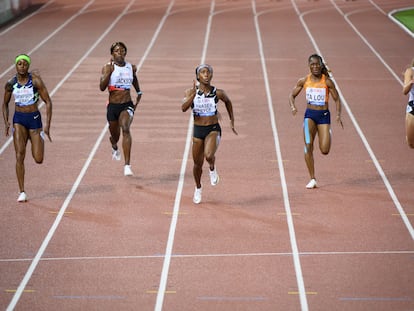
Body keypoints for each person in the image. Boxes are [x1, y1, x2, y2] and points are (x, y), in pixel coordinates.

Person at [182, 64, 237, 204]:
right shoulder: (190, 92)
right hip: (198, 130)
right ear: (198, 76)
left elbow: (228, 102)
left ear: (211, 76)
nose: (206, 75)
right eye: (203, 72)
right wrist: (193, 95)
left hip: (213, 128)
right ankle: (198, 188)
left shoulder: (217, 93)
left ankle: (212, 168)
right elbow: (183, 108)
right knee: (197, 164)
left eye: (208, 72)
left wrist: (232, 121)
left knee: (209, 155)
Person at [2, 54, 53, 202]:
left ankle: (39, 138)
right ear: (16, 66)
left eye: (25, 64)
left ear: (28, 66)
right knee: (19, 155)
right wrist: (6, 122)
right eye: (19, 64)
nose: (22, 66)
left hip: (34, 120)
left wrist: (48, 126)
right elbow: (4, 104)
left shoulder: (35, 81)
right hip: (19, 120)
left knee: (38, 159)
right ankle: (22, 191)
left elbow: (48, 101)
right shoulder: (11, 83)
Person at [289, 54, 342, 189]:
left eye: (317, 64)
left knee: (324, 150)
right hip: (310, 116)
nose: (315, 67)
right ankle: (312, 178)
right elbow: (292, 95)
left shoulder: (327, 81)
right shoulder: (304, 80)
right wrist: (293, 106)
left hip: (323, 116)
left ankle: (327, 132)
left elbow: (337, 99)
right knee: (308, 145)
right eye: (312, 64)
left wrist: (338, 115)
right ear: (309, 66)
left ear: (321, 65)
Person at [99, 42, 142, 176]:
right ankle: (114, 144)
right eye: (117, 51)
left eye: (122, 50)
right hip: (113, 106)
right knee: (115, 136)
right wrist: (109, 73)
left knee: (125, 128)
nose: (120, 53)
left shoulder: (130, 67)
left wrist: (139, 92)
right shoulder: (107, 67)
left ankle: (127, 165)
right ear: (112, 54)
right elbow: (101, 87)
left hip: (126, 104)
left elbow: (134, 79)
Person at [402, 57, 414, 148]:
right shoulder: (410, 71)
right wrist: (411, 83)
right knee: (411, 144)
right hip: (412, 108)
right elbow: (405, 91)